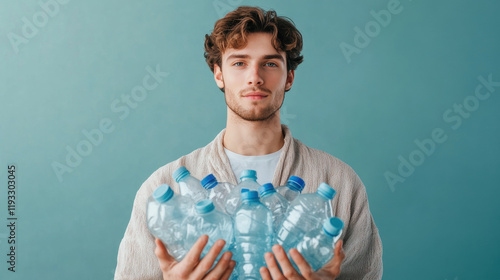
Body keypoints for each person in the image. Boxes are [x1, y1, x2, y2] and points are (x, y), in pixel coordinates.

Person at [115, 6, 383, 280]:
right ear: (219, 74)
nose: (254, 77)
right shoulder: (164, 187)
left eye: (270, 63)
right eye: (239, 63)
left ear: (289, 77)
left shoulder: (340, 183)